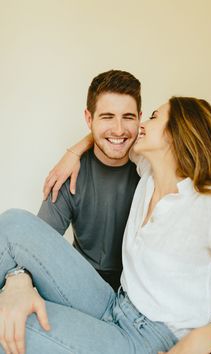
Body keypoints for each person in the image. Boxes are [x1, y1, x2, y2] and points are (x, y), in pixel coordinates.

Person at [0, 96, 211, 354]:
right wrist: (73, 153)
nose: (142, 124)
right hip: (114, 302)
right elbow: (112, 136)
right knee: (14, 223)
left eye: (154, 117)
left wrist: (202, 340)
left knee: (10, 328)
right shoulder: (148, 170)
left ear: (176, 133)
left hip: (147, 340)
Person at [38, 69, 141, 291]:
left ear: (140, 118)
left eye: (128, 117)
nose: (119, 129)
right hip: (81, 280)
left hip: (136, 286)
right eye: (107, 117)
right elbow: (37, 241)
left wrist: (75, 149)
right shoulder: (69, 173)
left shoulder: (151, 167)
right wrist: (19, 281)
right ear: (89, 118)